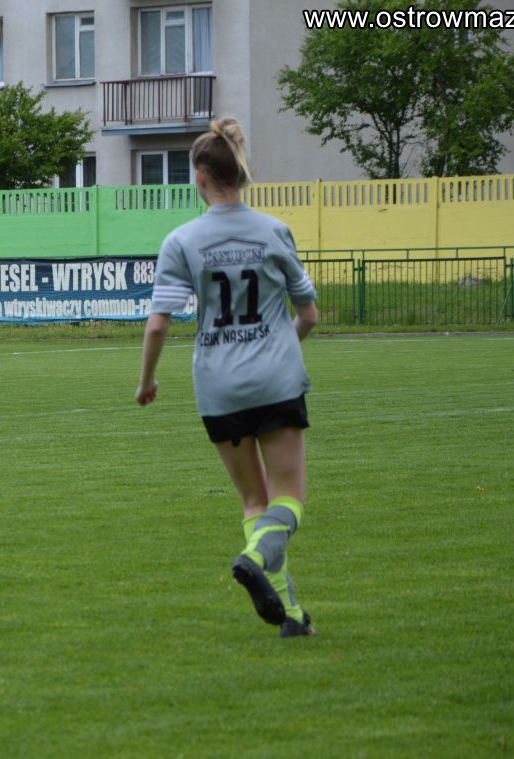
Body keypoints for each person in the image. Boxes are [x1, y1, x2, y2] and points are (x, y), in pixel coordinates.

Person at [135, 117, 320, 638]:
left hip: (219, 387)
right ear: (239, 172)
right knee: (288, 499)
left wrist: (146, 382)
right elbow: (308, 316)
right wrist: (280, 349)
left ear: (199, 176)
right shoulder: (274, 230)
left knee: (254, 502)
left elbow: (158, 324)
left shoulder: (181, 240)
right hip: (277, 380)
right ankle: (256, 557)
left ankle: (290, 616)